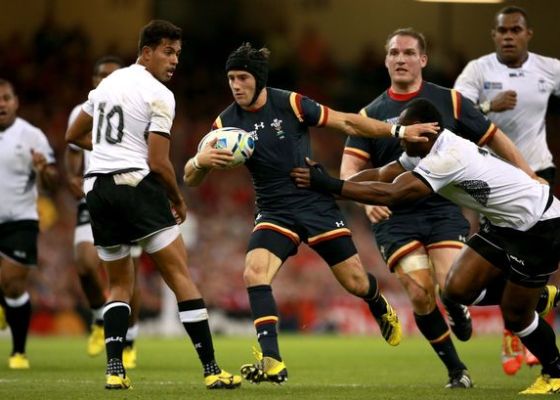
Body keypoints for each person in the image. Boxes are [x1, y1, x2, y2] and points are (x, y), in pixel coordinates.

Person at [184, 42, 439, 385]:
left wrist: (399, 131)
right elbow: (190, 176)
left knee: (356, 282)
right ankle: (272, 359)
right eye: (231, 78)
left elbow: (346, 121)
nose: (236, 85)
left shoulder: (290, 103)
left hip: (315, 205)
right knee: (254, 273)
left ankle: (377, 303)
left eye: (243, 78)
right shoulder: (225, 123)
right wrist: (199, 162)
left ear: (258, 79)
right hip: (274, 212)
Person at [292, 97, 560, 394]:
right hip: (504, 225)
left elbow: (393, 194)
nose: (402, 137)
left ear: (426, 132)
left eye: (407, 130)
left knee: (516, 316)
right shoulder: (424, 150)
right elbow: (381, 175)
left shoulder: (449, 156)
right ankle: (538, 297)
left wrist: (326, 185)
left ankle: (554, 373)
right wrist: (327, 184)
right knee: (455, 290)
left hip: (538, 225)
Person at [339, 27, 541, 388]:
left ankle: (476, 303)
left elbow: (493, 137)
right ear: (386, 60)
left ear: (423, 59)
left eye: (408, 53)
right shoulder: (370, 113)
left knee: (451, 283)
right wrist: (362, 201)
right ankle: (456, 371)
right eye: (394, 53)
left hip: (442, 208)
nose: (401, 59)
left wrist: (528, 174)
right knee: (419, 293)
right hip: (395, 216)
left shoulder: (450, 101)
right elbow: (349, 169)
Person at [66, 20, 240, 390]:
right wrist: (177, 198)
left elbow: (73, 134)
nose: (174, 60)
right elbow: (158, 162)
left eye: (177, 53)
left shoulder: (107, 84)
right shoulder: (159, 94)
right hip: (135, 185)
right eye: (167, 51)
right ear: (146, 52)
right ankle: (212, 369)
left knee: (118, 286)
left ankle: (115, 370)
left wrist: (110, 152)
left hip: (97, 189)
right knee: (180, 276)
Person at [454, 5, 560, 375]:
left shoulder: (549, 68)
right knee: (500, 258)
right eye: (503, 31)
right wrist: (488, 105)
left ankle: (519, 322)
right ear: (494, 35)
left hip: (537, 174)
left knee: (533, 256)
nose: (509, 36)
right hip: (493, 180)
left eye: (516, 30)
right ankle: (525, 312)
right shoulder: (478, 70)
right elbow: (455, 112)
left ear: (528, 34)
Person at [65, 55, 142, 368]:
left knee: (129, 271)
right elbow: (72, 152)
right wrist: (72, 177)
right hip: (94, 195)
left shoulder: (135, 109)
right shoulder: (81, 111)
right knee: (85, 264)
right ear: (94, 80)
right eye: (101, 75)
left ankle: (130, 338)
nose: (106, 80)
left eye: (113, 75)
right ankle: (100, 316)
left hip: (128, 194)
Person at [0, 79, 58, 369]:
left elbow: (52, 181)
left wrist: (43, 169)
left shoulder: (32, 135)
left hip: (20, 219)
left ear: (15, 102)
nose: (1, 104)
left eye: (6, 98)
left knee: (12, 283)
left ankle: (18, 351)